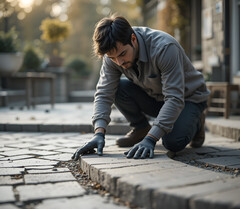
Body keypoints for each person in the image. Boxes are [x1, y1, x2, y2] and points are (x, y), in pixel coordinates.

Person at [72, 15, 210, 160]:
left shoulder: (164, 48)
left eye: (122, 54)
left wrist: (151, 139)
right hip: (157, 98)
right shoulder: (113, 54)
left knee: (173, 142)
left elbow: (175, 99)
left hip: (188, 98)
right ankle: (141, 128)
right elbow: (104, 93)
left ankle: (197, 121)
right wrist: (98, 133)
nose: (119, 62)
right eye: (113, 58)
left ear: (133, 39)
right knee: (118, 88)